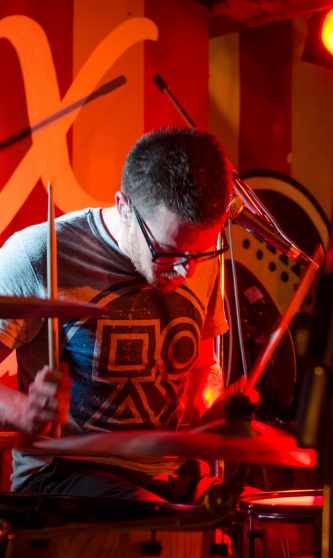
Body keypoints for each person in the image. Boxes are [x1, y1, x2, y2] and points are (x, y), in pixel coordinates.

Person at [0, 127, 233, 502]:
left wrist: (215, 408)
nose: (187, 270)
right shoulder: (37, 254)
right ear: (124, 207)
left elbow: (201, 371)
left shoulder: (197, 257)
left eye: (201, 252)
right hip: (64, 476)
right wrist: (22, 410)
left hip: (172, 475)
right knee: (147, 512)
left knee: (252, 514)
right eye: (168, 252)